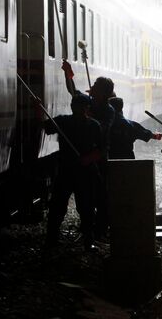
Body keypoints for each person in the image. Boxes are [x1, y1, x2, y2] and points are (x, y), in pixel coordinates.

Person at [61, 60, 115, 239]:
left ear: (104, 92)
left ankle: (99, 230)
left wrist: (90, 118)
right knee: (86, 196)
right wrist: (68, 76)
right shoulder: (89, 103)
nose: (91, 88)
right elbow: (73, 92)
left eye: (96, 87)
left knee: (101, 196)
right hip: (85, 157)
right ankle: (88, 229)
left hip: (98, 158)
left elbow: (103, 129)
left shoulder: (108, 110)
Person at [44, 93, 102, 251]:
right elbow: (47, 127)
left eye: (77, 105)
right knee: (64, 206)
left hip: (80, 171)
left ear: (85, 107)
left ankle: (85, 239)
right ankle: (55, 239)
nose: (74, 108)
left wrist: (88, 158)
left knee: (83, 207)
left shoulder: (93, 125)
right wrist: (38, 109)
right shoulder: (64, 121)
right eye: (74, 105)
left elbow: (101, 150)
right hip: (70, 170)